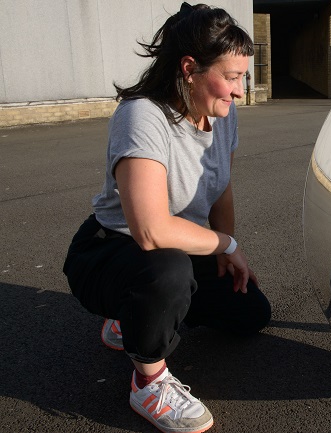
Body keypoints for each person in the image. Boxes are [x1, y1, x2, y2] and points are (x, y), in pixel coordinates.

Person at [63, 4, 271, 433]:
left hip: (178, 248)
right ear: (190, 68)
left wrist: (222, 251)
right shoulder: (142, 116)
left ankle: (137, 318)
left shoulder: (222, 117)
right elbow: (151, 230)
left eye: (243, 77)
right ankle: (148, 380)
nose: (239, 90)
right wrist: (226, 245)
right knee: (168, 270)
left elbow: (222, 187)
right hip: (113, 250)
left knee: (251, 313)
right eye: (231, 77)